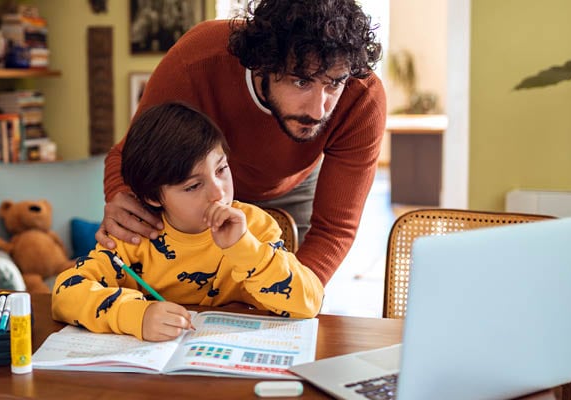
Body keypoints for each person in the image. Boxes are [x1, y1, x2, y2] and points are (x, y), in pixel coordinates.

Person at [99, 0, 385, 286]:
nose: (318, 111)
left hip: (294, 188)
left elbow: (333, 230)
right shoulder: (196, 60)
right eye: (301, 82)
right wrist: (122, 197)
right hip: (200, 190)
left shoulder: (362, 96)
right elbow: (127, 155)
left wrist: (294, 296)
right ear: (262, 64)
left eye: (333, 84)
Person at [52, 102, 324, 342]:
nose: (218, 193)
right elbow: (65, 292)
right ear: (153, 197)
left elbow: (309, 303)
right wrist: (135, 315)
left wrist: (245, 248)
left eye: (221, 169)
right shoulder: (134, 236)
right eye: (193, 186)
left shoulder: (255, 227)